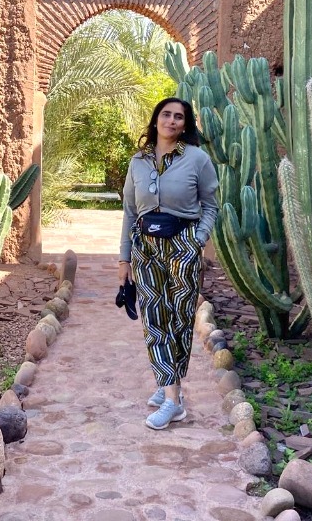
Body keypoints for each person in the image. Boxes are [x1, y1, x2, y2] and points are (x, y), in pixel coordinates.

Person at [119, 97, 219, 430]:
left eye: (179, 117)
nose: (172, 121)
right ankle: (173, 398)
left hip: (183, 246)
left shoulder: (198, 159)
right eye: (166, 114)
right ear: (156, 119)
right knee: (154, 319)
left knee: (178, 320)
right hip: (145, 249)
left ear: (185, 125)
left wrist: (197, 239)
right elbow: (130, 213)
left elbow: (211, 206)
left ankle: (169, 387)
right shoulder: (138, 161)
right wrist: (124, 259)